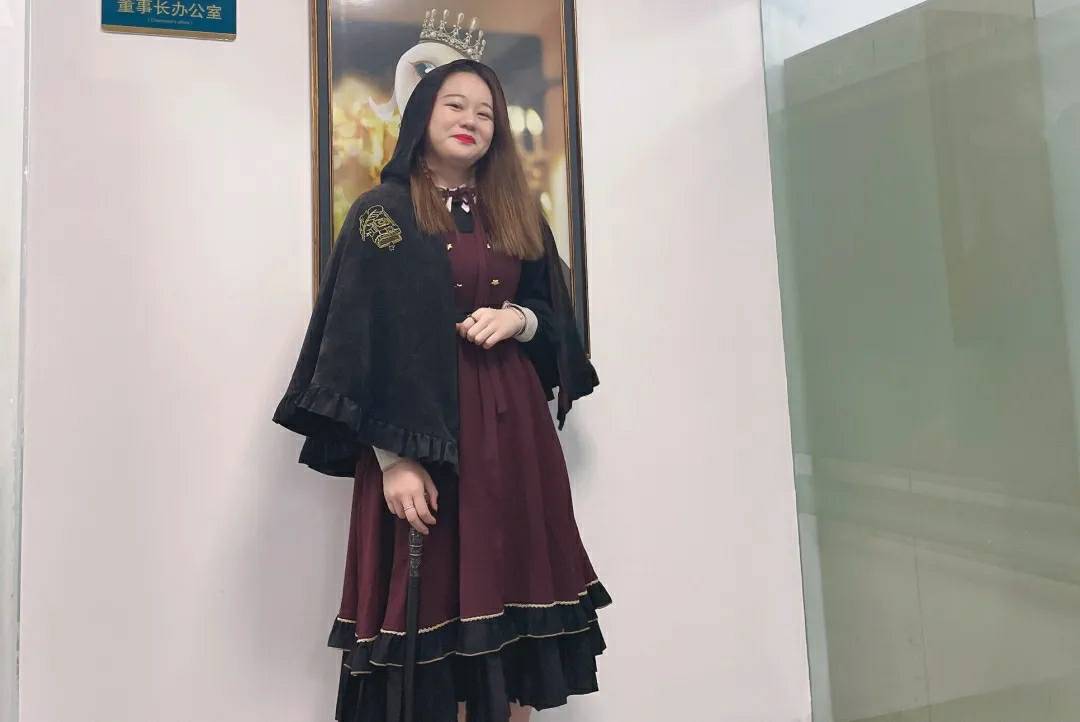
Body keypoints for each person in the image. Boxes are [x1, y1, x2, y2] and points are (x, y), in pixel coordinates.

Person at [274, 59, 610, 722]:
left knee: (514, 621)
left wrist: (520, 319)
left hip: (513, 440)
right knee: (428, 623)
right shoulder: (382, 215)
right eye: (455, 105)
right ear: (422, 111)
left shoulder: (516, 212)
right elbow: (356, 339)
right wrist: (393, 460)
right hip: (422, 440)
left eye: (485, 113)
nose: (470, 121)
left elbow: (556, 317)